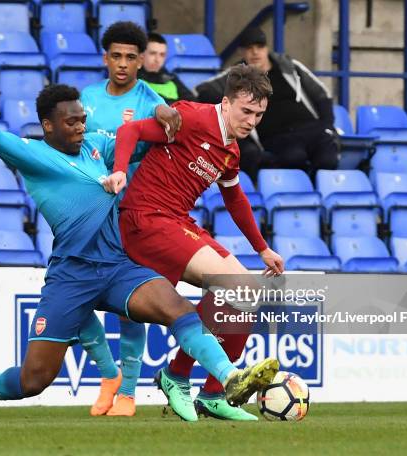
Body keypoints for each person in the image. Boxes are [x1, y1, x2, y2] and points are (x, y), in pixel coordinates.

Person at [0, 57, 279, 423]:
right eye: (71, 122)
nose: (80, 127)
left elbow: (143, 135)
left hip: (117, 267)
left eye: (83, 119)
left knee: (179, 309)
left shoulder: (96, 145)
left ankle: (227, 379)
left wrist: (165, 110)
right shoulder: (34, 155)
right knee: (34, 379)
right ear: (48, 125)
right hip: (73, 276)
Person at [103, 64, 285, 422]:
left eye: (259, 115)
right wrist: (121, 170)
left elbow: (235, 199)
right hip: (145, 217)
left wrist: (261, 247)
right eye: (246, 111)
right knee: (236, 285)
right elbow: (130, 130)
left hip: (177, 222)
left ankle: (213, 394)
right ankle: (177, 375)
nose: (251, 121)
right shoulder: (191, 117)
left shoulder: (232, 150)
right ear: (226, 102)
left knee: (247, 294)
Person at [78, 21, 181, 418]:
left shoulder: (147, 97)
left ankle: (129, 393)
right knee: (74, 300)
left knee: (128, 308)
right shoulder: (85, 97)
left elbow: (164, 113)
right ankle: (109, 375)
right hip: (85, 214)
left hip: (125, 215)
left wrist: (165, 112)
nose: (122, 64)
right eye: (116, 56)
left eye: (130, 58)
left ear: (141, 61)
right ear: (105, 58)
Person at [196, 27, 338, 177]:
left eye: (260, 47)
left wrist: (327, 125)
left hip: (311, 127)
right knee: (294, 159)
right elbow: (202, 90)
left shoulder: (289, 66)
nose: (255, 52)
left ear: (266, 48)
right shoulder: (237, 75)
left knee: (328, 161)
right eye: (249, 48)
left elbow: (322, 95)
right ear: (241, 52)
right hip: (277, 136)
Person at [138, 32, 196, 104]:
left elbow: (193, 103)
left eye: (162, 55)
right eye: (152, 53)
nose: (157, 60)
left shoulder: (171, 78)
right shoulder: (133, 80)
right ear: (141, 54)